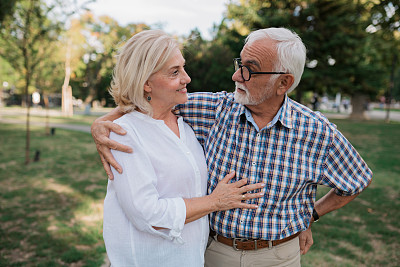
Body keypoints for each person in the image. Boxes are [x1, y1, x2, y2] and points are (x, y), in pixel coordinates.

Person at [92, 27, 372, 267]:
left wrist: (310, 214)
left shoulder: (316, 131)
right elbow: (149, 104)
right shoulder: (212, 109)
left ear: (283, 83)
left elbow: (356, 180)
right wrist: (102, 122)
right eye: (240, 64)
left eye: (250, 70)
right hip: (213, 253)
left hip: (278, 257)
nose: (237, 76)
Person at [101, 29, 265, 267]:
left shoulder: (184, 125)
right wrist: (216, 201)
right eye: (174, 72)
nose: (187, 78)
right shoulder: (126, 134)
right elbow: (148, 214)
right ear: (146, 83)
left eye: (183, 68)